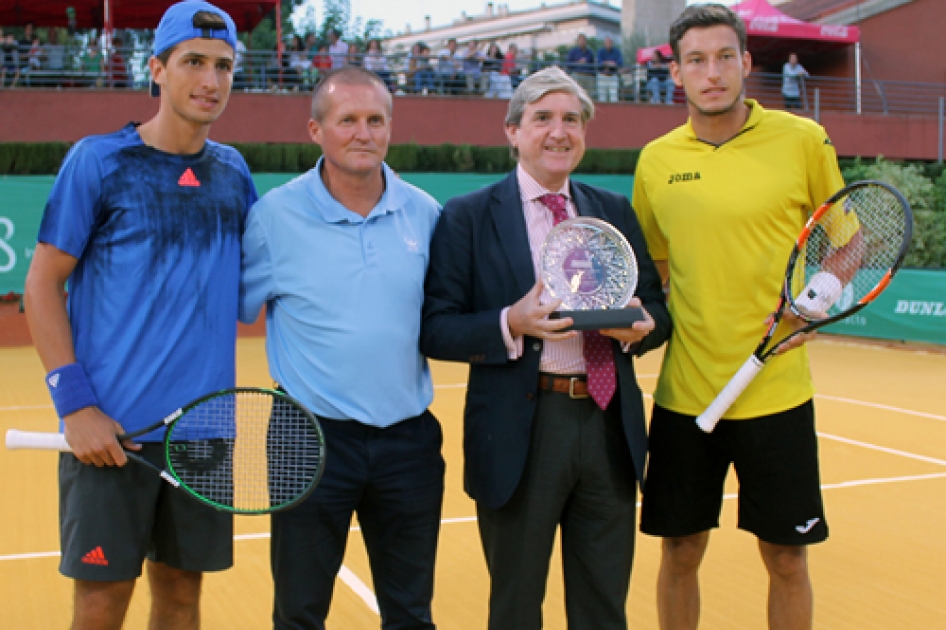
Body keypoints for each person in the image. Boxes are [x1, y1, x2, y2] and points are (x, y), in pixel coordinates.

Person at [22, 3, 256, 629]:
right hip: (110, 439)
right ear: (156, 69)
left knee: (182, 599)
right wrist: (75, 405)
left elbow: (256, 290)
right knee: (101, 607)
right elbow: (41, 286)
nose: (210, 80)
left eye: (224, 67)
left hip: (205, 440)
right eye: (194, 63)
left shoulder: (234, 172)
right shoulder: (98, 162)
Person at [421, 66, 671, 630]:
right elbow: (436, 327)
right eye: (542, 119)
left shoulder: (612, 211)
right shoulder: (468, 216)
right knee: (515, 607)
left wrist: (639, 327)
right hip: (521, 430)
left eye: (572, 120)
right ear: (512, 130)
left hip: (608, 424)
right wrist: (513, 320)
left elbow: (658, 312)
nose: (559, 132)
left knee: (604, 606)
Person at [632, 5, 841, 630]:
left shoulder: (802, 140)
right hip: (686, 395)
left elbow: (845, 235)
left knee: (786, 559)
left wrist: (825, 285)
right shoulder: (656, 162)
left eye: (725, 57)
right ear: (677, 73)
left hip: (777, 393)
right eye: (696, 60)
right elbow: (656, 273)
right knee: (680, 551)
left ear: (747, 62)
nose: (712, 72)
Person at [239, 66, 445, 630]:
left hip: (408, 442)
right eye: (347, 120)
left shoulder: (424, 213)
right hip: (307, 437)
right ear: (315, 130)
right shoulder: (272, 218)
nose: (363, 132)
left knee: (410, 612)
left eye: (375, 119)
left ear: (390, 128)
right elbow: (226, 309)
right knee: (300, 612)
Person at [565, 33, 596, 99]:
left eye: (584, 40)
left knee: (589, 96)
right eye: (581, 40)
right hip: (577, 74)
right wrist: (578, 63)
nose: (582, 42)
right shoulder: (573, 51)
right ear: (578, 41)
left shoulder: (590, 52)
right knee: (577, 94)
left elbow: (593, 65)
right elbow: (568, 64)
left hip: (588, 75)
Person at [596, 35, 623, 102]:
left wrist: (606, 63)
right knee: (602, 98)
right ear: (604, 43)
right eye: (607, 42)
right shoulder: (600, 51)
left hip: (612, 76)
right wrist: (610, 63)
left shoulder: (617, 52)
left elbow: (619, 63)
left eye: (610, 42)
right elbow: (599, 63)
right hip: (602, 76)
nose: (609, 43)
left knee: (614, 98)